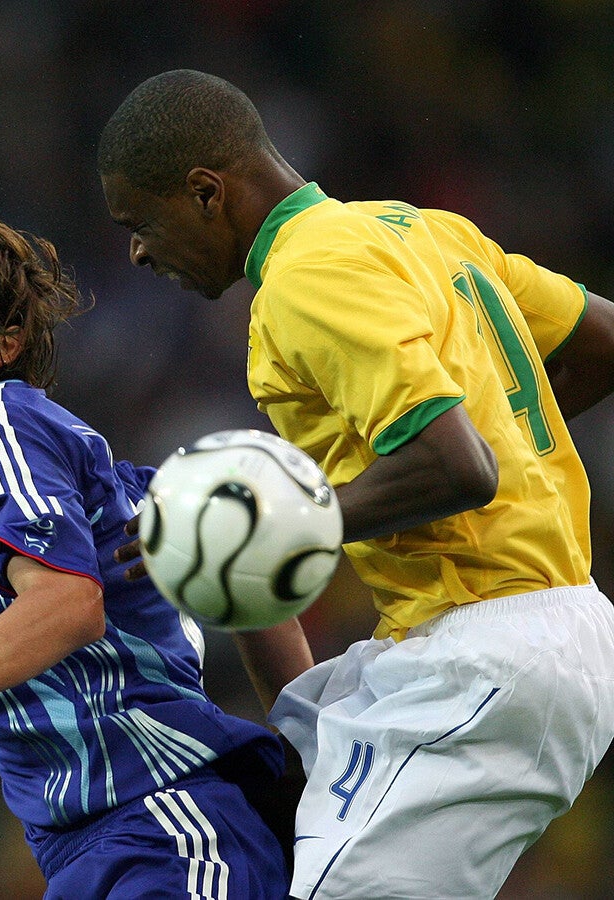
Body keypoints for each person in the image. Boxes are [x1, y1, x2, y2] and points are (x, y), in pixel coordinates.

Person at [98, 69, 614, 900]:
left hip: (490, 643)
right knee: (283, 786)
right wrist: (519, 435)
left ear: (204, 192)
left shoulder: (308, 277)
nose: (136, 249)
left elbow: (459, 465)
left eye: (140, 222)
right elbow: (603, 341)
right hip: (485, 637)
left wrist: (271, 526)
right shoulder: (421, 231)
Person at [0, 179, 314, 899]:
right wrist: (300, 733)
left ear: (4, 344)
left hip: (163, 822)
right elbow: (245, 555)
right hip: (95, 851)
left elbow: (68, 604)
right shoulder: (64, 488)